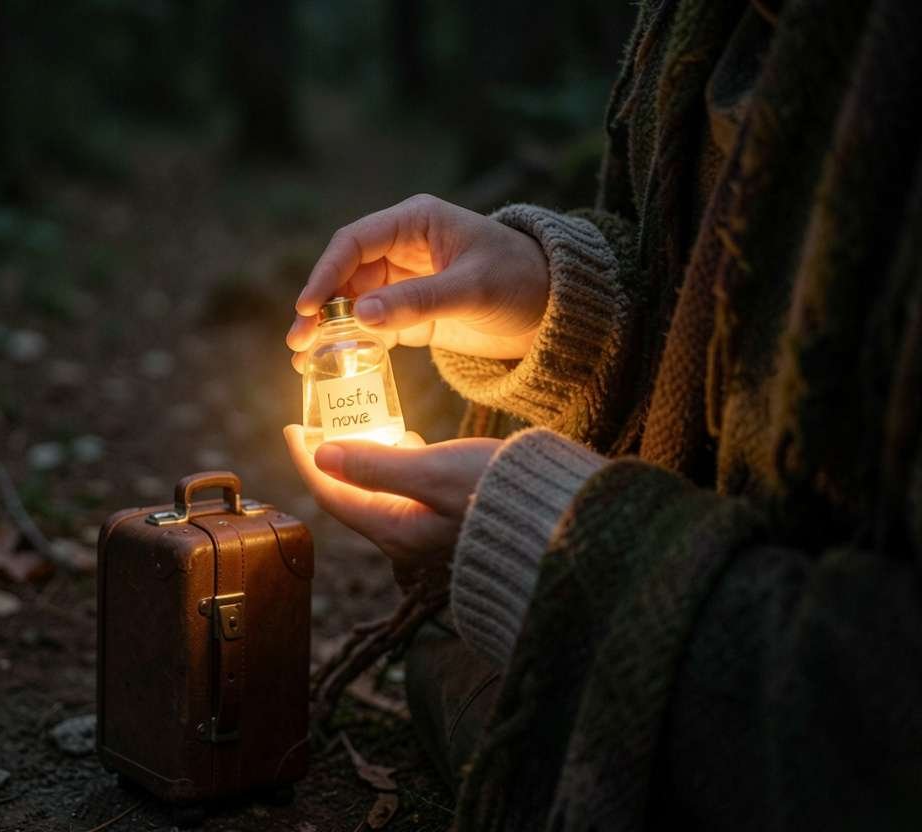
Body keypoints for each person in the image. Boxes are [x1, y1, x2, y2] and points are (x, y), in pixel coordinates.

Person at [284, 0, 922, 829]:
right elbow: (715, 324)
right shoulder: (703, 25)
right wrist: (555, 307)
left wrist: (563, 541)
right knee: (447, 658)